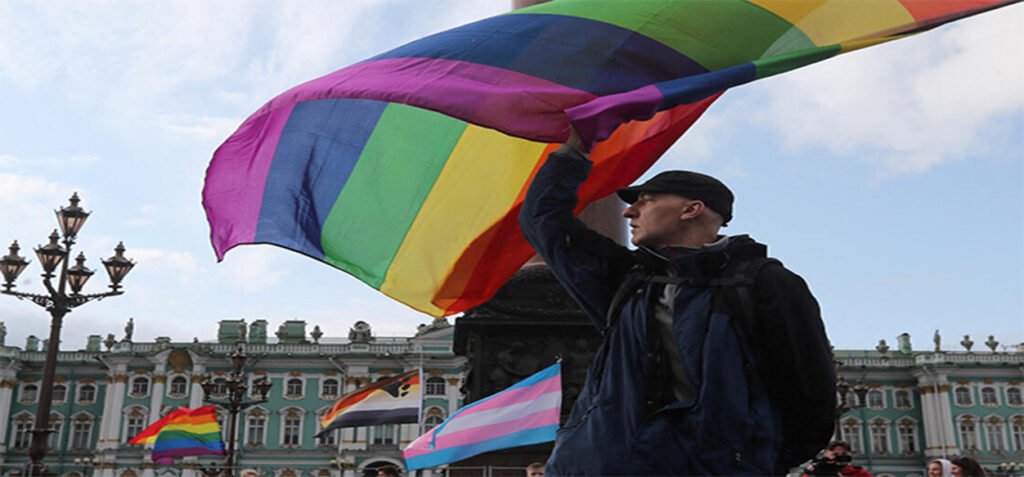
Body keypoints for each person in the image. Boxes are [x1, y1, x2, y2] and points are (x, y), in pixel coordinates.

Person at [519, 131, 836, 475]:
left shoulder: (764, 283)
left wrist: (753, 461)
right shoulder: (625, 278)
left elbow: (810, 390)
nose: (629, 213)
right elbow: (542, 220)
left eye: (646, 201)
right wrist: (573, 151)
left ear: (691, 209)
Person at [803, 441, 873, 477]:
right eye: (835, 454)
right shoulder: (815, 472)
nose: (840, 457)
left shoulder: (860, 474)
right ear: (826, 455)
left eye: (843, 454)